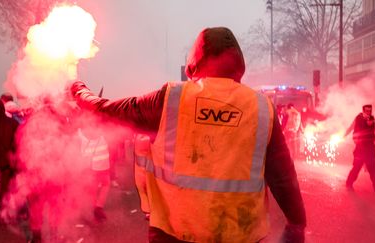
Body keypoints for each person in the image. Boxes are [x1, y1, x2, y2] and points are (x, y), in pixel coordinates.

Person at [71, 27, 306, 242]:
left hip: (174, 234)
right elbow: (283, 177)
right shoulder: (262, 108)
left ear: (193, 64)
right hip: (241, 236)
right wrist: (297, 223)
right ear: (240, 67)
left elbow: (106, 111)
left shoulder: (171, 99)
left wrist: (77, 89)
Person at [344, 104, 375, 196]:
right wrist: (344, 134)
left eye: (370, 110)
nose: (369, 112)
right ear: (363, 110)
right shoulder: (359, 118)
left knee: (374, 170)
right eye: (367, 110)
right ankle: (349, 183)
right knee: (356, 168)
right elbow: (352, 127)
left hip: (369, 149)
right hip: (360, 149)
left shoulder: (371, 118)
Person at [78, 125, 111, 222]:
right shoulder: (103, 132)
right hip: (103, 165)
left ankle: (93, 207)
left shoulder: (81, 133)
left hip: (89, 167)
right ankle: (98, 207)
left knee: (92, 188)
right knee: (105, 184)